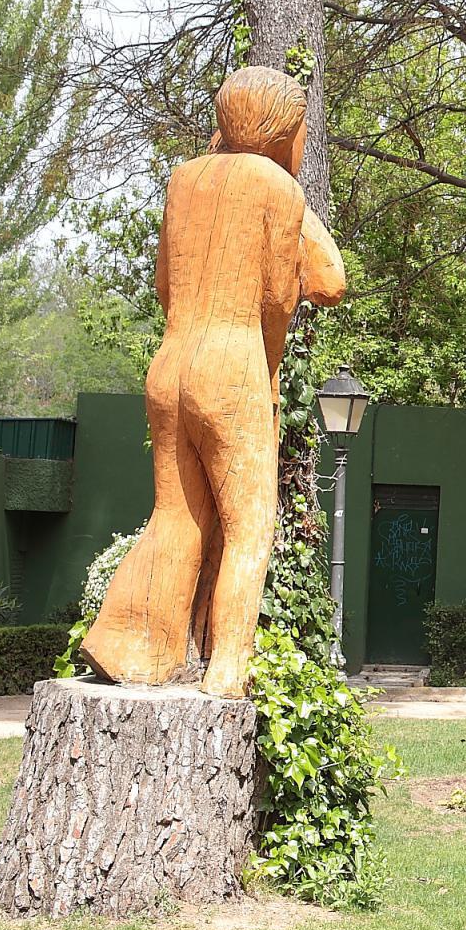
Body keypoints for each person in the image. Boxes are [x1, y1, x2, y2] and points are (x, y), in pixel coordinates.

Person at [81, 66, 346, 698]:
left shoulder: (184, 180)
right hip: (233, 365)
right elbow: (299, 290)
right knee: (251, 527)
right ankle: (228, 667)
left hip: (170, 363)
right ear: (284, 129)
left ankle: (134, 646)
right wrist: (268, 369)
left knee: (176, 514)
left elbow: (163, 284)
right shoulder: (278, 187)